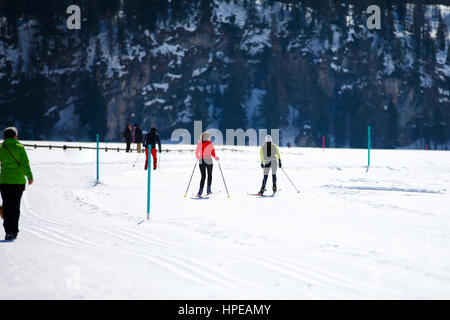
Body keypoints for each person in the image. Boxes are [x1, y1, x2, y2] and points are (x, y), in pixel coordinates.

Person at [0, 127, 33, 241]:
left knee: (6, 206)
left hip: (4, 181)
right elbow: (25, 164)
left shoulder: (1, 148)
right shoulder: (20, 148)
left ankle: (8, 230)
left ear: (4, 136)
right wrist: (29, 176)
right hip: (18, 182)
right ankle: (14, 231)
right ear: (15, 136)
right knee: (15, 206)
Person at [195, 131, 219, 197]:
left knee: (204, 176)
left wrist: (197, 156)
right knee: (209, 175)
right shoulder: (209, 143)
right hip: (207, 160)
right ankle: (207, 190)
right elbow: (212, 152)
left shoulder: (200, 143)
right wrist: (216, 158)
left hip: (202, 160)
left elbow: (197, 152)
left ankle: (200, 192)